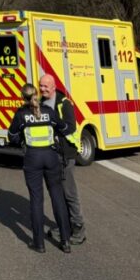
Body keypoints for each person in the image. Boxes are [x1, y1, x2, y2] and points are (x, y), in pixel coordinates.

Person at [8, 83, 80, 253]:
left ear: (22, 97)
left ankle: (39, 243)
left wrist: (22, 141)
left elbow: (12, 136)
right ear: (36, 94)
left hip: (32, 158)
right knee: (57, 198)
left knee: (36, 200)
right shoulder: (48, 112)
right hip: (51, 157)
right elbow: (64, 128)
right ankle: (65, 241)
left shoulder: (21, 114)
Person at [39, 74, 87, 245]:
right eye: (40, 86)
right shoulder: (40, 103)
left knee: (69, 193)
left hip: (66, 154)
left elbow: (70, 126)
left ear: (53, 87)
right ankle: (63, 225)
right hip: (50, 155)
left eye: (45, 86)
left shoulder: (64, 103)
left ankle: (78, 229)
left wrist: (52, 123)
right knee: (57, 194)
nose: (42, 89)